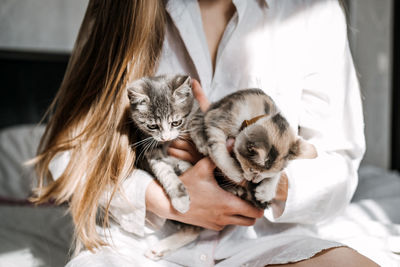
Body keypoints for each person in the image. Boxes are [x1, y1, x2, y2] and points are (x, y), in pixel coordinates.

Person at [33, 0, 378, 266]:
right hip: (139, 247)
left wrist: (253, 174)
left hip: (268, 242)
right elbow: (69, 154)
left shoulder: (312, 10)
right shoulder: (122, 9)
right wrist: (157, 198)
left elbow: (338, 163)